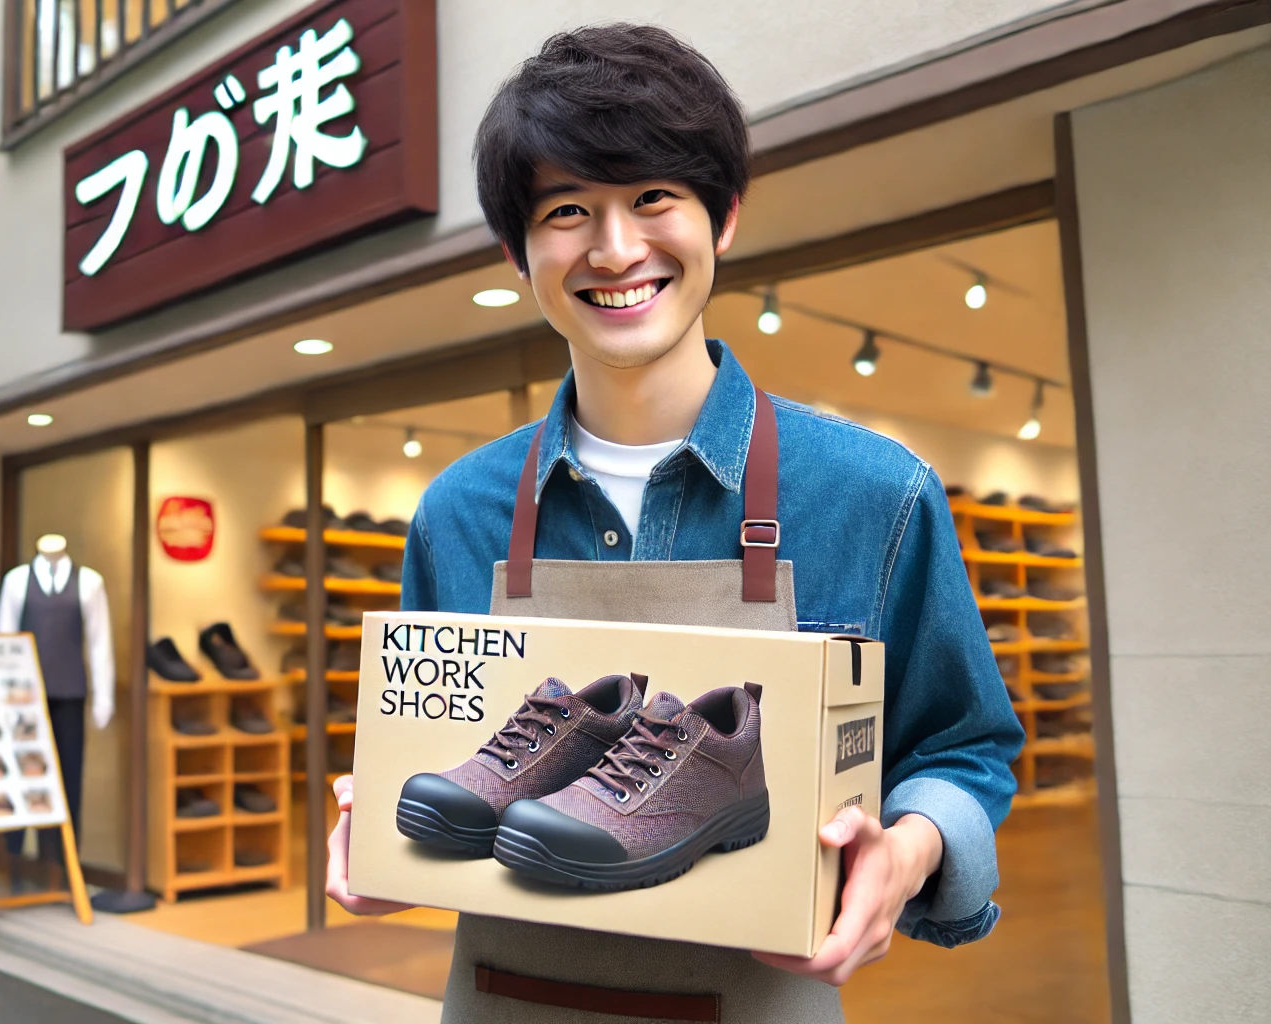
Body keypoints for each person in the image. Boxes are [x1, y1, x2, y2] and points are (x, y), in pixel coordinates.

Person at [324, 22, 1026, 1021]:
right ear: (517, 251)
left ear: (723, 215)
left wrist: (909, 849)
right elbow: (426, 755)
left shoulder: (875, 492)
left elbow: (961, 746)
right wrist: (378, 823)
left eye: (653, 197)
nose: (615, 249)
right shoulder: (458, 512)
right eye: (568, 209)